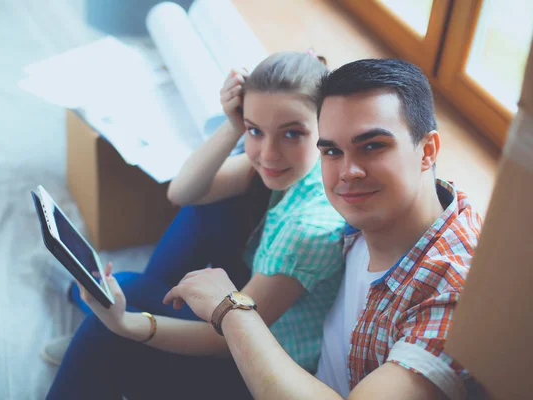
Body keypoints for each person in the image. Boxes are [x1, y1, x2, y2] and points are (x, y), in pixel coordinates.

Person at [161, 58, 484, 399]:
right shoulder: (376, 200)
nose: (348, 171)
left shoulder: (452, 293)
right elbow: (185, 191)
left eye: (373, 146)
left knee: (116, 333)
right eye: (331, 150)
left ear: (427, 150)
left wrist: (231, 309)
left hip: (294, 378)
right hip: (296, 367)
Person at [46, 51, 346, 399]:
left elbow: (226, 339)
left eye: (292, 134)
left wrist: (126, 325)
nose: (268, 153)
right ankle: (99, 314)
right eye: (255, 130)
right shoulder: (304, 164)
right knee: (209, 206)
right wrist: (233, 126)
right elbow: (184, 191)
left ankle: (94, 319)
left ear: (326, 126)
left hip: (258, 368)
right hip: (245, 312)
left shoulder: (308, 227)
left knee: (116, 316)